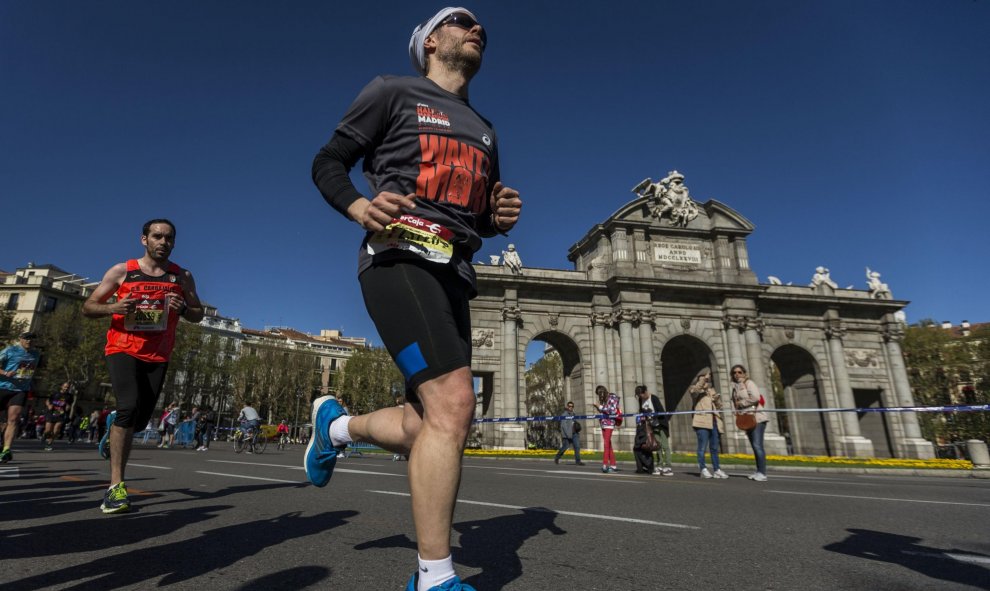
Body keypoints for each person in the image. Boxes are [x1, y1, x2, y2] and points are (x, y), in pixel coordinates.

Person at [309, 8, 521, 591]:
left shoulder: (485, 128)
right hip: (397, 257)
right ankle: (435, 577)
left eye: (481, 25)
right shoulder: (392, 91)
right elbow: (327, 162)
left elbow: (475, 210)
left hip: (456, 271)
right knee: (456, 404)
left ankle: (337, 428)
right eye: (461, 20)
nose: (477, 27)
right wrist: (359, 206)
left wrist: (496, 219)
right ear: (430, 41)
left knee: (427, 421)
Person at [83, 218, 204, 514]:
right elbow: (89, 307)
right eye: (157, 236)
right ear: (144, 240)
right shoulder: (122, 271)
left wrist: (185, 309)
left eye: (169, 238)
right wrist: (113, 307)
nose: (163, 242)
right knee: (128, 407)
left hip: (158, 354)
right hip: (122, 348)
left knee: (138, 420)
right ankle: (116, 488)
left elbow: (198, 313)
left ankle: (116, 425)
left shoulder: (182, 276)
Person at [0, 332, 41, 463]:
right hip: (3, 387)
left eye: (32, 338)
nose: (29, 341)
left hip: (20, 390)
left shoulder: (36, 354)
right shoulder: (10, 350)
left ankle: (6, 449)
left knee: (13, 419)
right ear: (20, 339)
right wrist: (5, 372)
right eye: (26, 338)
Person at [731, 364, 769, 482]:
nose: (737, 374)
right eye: (734, 373)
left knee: (758, 446)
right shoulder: (735, 388)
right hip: (746, 419)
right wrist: (735, 411)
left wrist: (741, 404)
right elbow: (733, 402)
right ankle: (758, 471)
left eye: (739, 372)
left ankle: (762, 473)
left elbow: (756, 398)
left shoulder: (749, 383)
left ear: (744, 373)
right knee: (754, 446)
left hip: (757, 418)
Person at [689, 369, 728, 479]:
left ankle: (717, 469)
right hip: (702, 423)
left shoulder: (711, 391)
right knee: (702, 448)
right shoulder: (694, 391)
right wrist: (703, 380)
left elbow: (720, 408)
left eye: (706, 380)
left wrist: (716, 400)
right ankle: (703, 469)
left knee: (714, 448)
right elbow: (695, 391)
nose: (706, 382)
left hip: (714, 422)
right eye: (703, 380)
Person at [636, 385, 672, 476]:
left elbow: (661, 411)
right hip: (651, 426)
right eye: (639, 396)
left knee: (665, 445)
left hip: (660, 425)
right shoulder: (641, 400)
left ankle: (668, 466)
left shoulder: (654, 398)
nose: (641, 397)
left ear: (645, 392)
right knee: (657, 445)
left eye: (641, 395)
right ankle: (659, 464)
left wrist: (652, 415)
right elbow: (641, 411)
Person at [592, 385, 620, 473]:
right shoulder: (603, 399)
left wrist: (599, 407)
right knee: (609, 445)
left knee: (606, 444)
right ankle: (613, 465)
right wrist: (598, 407)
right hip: (603, 423)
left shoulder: (613, 397)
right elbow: (604, 410)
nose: (600, 397)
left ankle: (605, 464)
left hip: (609, 424)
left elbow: (612, 410)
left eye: (600, 394)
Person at [43, 381, 74, 451]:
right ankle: (45, 435)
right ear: (62, 386)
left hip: (61, 414)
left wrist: (68, 407)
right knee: (48, 430)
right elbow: (48, 400)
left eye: (68, 387)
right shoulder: (55, 393)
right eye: (65, 387)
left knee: (56, 429)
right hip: (51, 412)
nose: (66, 388)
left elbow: (69, 404)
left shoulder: (70, 396)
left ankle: (49, 443)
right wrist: (49, 405)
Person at [553, 401, 583, 465]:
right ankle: (557, 458)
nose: (570, 407)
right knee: (565, 447)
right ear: (567, 407)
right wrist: (568, 435)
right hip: (567, 435)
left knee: (577, 447)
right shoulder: (564, 415)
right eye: (569, 406)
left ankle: (578, 461)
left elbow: (574, 422)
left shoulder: (574, 414)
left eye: (572, 406)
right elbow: (563, 426)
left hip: (575, 433)